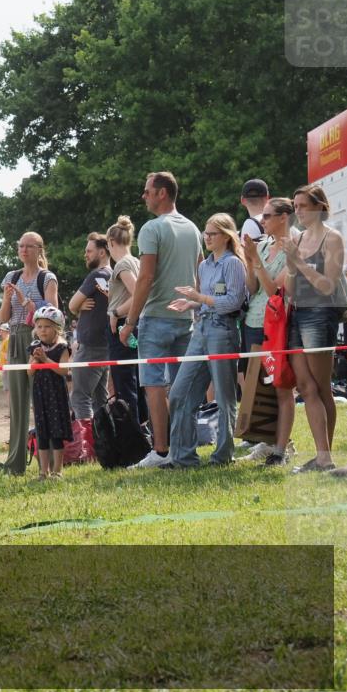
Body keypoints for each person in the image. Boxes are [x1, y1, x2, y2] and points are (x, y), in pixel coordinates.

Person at [154, 213, 247, 469]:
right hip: (201, 329)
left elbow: (233, 302)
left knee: (225, 396)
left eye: (211, 234)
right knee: (178, 393)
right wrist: (192, 302)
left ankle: (223, 455)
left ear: (226, 237)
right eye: (205, 233)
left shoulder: (233, 264)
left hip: (223, 331)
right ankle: (183, 457)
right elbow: (211, 299)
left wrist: (199, 298)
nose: (206, 238)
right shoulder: (205, 266)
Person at [122, 172, 203, 466]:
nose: (143, 196)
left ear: (162, 193)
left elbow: (145, 277)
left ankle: (161, 451)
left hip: (156, 317)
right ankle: (183, 447)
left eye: (147, 191)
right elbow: (200, 271)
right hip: (187, 319)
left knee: (154, 385)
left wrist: (130, 322)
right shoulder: (193, 229)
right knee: (184, 386)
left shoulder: (151, 228)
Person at [285, 185, 347, 473]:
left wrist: (298, 263)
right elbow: (290, 286)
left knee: (322, 387)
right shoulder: (297, 240)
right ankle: (321, 456)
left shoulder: (332, 239)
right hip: (297, 314)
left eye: (302, 206)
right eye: (295, 206)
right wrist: (290, 265)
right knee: (306, 387)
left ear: (319, 207)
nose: (297, 211)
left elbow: (327, 285)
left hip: (321, 314)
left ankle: (325, 455)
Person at [240, 197, 297, 465]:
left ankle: (282, 448)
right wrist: (250, 261)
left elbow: (275, 290)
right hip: (253, 321)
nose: (262, 222)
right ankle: (268, 440)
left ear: (284, 217)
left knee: (281, 386)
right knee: (259, 388)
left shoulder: (293, 247)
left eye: (267, 216)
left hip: (277, 323)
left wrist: (256, 261)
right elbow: (252, 289)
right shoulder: (262, 246)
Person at [0, 232, 60, 475]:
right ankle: (14, 463)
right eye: (20, 246)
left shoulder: (47, 278)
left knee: (44, 402)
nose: (24, 250)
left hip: (38, 340)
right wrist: (7, 299)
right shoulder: (11, 277)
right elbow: (3, 318)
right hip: (14, 338)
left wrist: (27, 303)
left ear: (39, 249)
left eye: (29, 246)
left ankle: (52, 465)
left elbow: (54, 315)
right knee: (17, 405)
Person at [68, 232, 113, 428]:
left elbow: (71, 304)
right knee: (100, 399)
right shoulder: (114, 274)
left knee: (80, 396)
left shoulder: (97, 275)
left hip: (91, 346)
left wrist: (78, 306)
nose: (85, 254)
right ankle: (104, 439)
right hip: (106, 345)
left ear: (102, 252)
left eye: (89, 251)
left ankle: (87, 445)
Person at [106, 216, 144, 425]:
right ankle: (142, 430)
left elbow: (137, 293)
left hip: (122, 326)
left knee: (124, 385)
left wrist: (116, 312)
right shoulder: (136, 261)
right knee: (136, 382)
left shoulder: (121, 265)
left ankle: (132, 433)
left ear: (111, 242)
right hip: (133, 324)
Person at [28, 306, 72, 480]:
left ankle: (57, 470)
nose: (42, 330)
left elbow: (63, 371)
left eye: (46, 326)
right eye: (39, 327)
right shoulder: (34, 347)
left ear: (57, 328)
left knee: (56, 432)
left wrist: (46, 359)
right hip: (40, 394)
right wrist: (36, 360)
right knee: (42, 432)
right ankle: (43, 471)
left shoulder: (62, 347)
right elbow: (29, 372)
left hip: (56, 394)